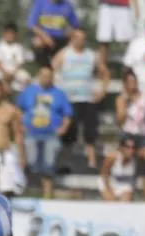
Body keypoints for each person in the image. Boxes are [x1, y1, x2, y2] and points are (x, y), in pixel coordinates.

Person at [53, 29, 109, 168]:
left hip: (88, 98)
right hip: (69, 99)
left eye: (83, 38)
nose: (80, 41)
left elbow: (105, 72)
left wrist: (102, 91)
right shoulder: (64, 53)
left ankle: (92, 162)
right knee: (69, 132)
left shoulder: (92, 55)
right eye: (77, 38)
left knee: (90, 131)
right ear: (72, 39)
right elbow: (52, 70)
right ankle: (67, 161)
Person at [17, 65, 73, 199]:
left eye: (49, 76)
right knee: (30, 163)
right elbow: (18, 109)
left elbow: (68, 114)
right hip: (31, 132)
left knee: (49, 165)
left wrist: (63, 128)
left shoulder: (59, 94)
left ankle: (47, 195)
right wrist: (21, 125)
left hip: (51, 134)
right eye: (44, 75)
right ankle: (28, 193)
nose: (46, 79)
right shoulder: (29, 91)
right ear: (39, 76)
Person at [28, 0, 79, 68]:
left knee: (73, 45)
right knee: (37, 42)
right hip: (44, 38)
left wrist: (69, 31)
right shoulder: (40, 3)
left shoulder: (67, 5)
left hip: (61, 40)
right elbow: (32, 25)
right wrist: (45, 37)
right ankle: (42, 69)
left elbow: (75, 26)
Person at [116, 70, 145, 150]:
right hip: (127, 133)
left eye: (134, 81)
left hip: (142, 133)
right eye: (129, 81)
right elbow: (120, 121)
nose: (132, 83)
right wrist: (126, 103)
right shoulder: (121, 99)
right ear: (125, 83)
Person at [0, 24, 31, 94]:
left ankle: (23, 96)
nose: (10, 36)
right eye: (8, 33)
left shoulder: (19, 47)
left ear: (16, 35)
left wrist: (12, 73)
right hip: (1, 70)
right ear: (4, 34)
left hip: (15, 71)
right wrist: (5, 73)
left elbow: (19, 64)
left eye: (12, 34)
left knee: (27, 79)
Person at [98, 136, 139, 201]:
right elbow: (104, 174)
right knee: (111, 203)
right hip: (108, 182)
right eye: (128, 147)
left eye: (133, 147)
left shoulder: (135, 159)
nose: (131, 150)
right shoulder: (112, 157)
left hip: (124, 184)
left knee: (125, 204)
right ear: (121, 148)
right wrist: (110, 191)